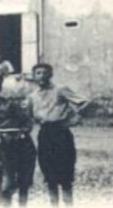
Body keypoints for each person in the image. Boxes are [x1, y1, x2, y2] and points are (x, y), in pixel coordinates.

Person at [26, 63, 88, 206]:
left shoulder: (60, 90)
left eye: (45, 73)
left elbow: (84, 102)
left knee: (65, 176)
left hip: (61, 134)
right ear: (34, 76)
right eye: (38, 73)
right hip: (45, 135)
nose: (42, 76)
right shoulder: (32, 96)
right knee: (50, 176)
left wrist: (73, 119)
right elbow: (28, 117)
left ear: (51, 75)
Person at [0, 71, 36, 206]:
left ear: (0, 88)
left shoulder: (10, 105)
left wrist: (21, 133)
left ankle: (21, 202)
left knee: (20, 181)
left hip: (18, 145)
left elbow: (26, 121)